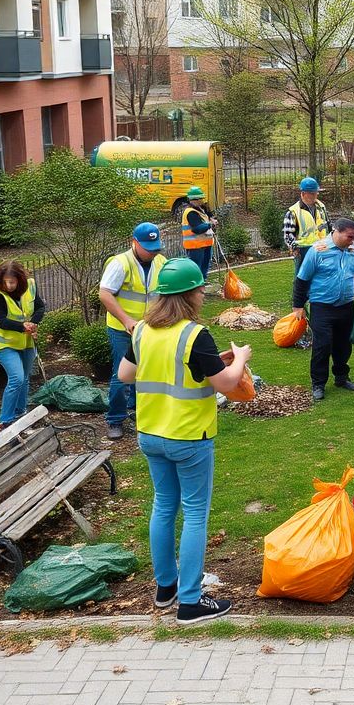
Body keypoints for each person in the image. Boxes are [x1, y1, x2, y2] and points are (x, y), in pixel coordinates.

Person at [117, 257, 252, 625]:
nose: (202, 295)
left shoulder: (142, 330)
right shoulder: (195, 335)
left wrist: (210, 363)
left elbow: (126, 374)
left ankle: (167, 588)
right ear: (190, 295)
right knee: (195, 514)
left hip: (151, 434)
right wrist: (240, 358)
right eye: (200, 290)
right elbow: (227, 383)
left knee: (163, 506)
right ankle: (191, 602)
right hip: (189, 437)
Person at [99, 222, 167, 441]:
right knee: (121, 375)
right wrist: (127, 320)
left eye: (155, 248)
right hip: (122, 329)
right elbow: (105, 294)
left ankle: (141, 412)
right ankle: (115, 419)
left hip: (150, 328)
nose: (152, 252)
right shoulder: (120, 263)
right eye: (148, 248)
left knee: (148, 371)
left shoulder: (161, 262)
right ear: (134, 242)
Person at [292, 217, 354, 401]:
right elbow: (302, 279)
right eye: (349, 236)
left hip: (346, 305)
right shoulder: (317, 250)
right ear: (336, 231)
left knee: (343, 345)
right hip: (322, 306)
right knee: (323, 345)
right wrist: (298, 305)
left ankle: (341, 377)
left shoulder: (353, 250)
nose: (353, 240)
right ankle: (318, 384)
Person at [0, 261, 46, 430]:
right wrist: (23, 326)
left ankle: (20, 413)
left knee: (25, 378)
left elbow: (40, 307)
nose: (8, 286)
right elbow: (1, 321)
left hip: (26, 342)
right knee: (17, 378)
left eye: (12, 282)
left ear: (20, 279)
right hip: (4, 343)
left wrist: (34, 322)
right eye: (5, 282)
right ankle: (5, 420)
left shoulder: (30, 285)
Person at [284, 177, 331, 277]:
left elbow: (328, 226)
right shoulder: (293, 211)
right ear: (303, 193)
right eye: (313, 193)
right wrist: (294, 248)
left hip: (321, 247)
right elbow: (288, 234)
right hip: (303, 250)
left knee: (320, 278)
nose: (316, 195)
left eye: (316, 192)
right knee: (301, 278)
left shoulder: (321, 207)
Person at [180, 186, 217, 280]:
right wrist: (210, 225)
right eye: (200, 198)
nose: (202, 200)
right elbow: (197, 229)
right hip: (195, 246)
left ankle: (202, 283)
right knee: (196, 269)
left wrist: (212, 219)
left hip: (205, 244)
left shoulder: (201, 209)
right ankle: (195, 285)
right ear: (194, 200)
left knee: (204, 268)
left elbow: (209, 216)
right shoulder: (190, 212)